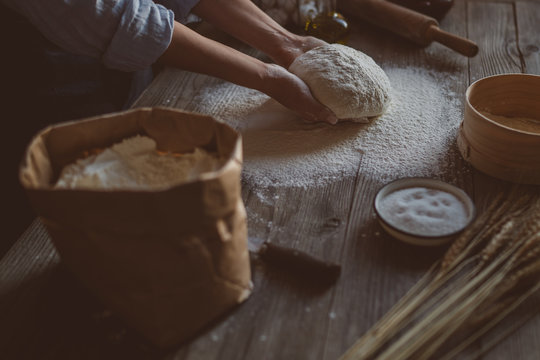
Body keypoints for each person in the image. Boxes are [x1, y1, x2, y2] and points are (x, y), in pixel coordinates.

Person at [1, 0, 337, 250]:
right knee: (59, 229)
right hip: (32, 76)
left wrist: (289, 43)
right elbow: (113, 15)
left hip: (118, 57)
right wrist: (268, 77)